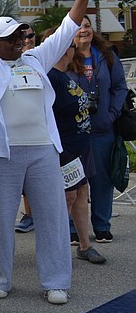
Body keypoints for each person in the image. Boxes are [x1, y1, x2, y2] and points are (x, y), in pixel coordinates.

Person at [0, 0, 95, 304]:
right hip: (0, 156)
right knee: (0, 220)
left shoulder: (34, 59)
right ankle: (1, 279)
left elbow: (66, 30)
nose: (20, 41)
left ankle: (56, 281)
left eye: (22, 35)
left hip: (43, 152)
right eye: (12, 37)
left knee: (52, 217)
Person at [45, 33, 106, 264]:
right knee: (67, 196)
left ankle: (85, 245)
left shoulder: (66, 74)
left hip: (80, 146)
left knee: (81, 192)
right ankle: (56, 249)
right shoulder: (51, 76)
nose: (73, 50)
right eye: (70, 46)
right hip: (64, 147)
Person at [74, 16, 127, 244]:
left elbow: (119, 87)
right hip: (73, 131)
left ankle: (102, 226)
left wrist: (112, 114)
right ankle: (73, 228)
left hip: (102, 129)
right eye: (78, 27)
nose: (83, 30)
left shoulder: (106, 56)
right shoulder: (63, 55)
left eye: (87, 26)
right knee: (74, 183)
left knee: (102, 181)